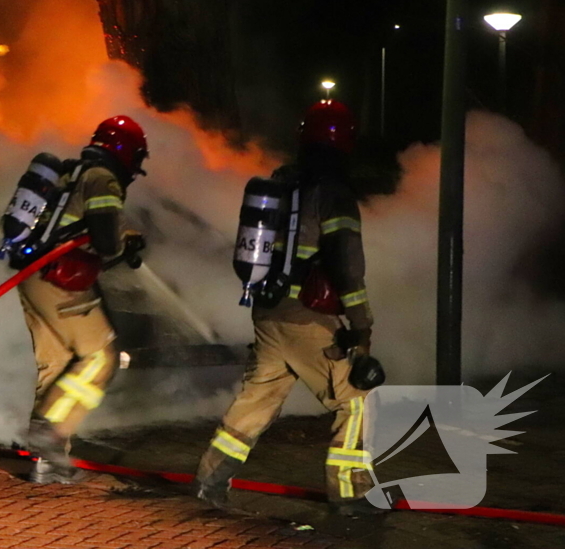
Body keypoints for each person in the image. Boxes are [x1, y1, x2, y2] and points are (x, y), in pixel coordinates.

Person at [194, 99, 383, 516]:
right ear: (345, 143)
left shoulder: (283, 185)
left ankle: (210, 479)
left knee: (258, 398)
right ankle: (350, 496)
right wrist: (362, 328)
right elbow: (348, 268)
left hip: (267, 312)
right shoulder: (334, 196)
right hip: (307, 316)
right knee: (355, 399)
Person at [23, 115, 148, 484]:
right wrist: (126, 243)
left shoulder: (72, 173)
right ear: (126, 152)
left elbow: (77, 223)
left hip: (32, 278)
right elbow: (107, 241)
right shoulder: (102, 179)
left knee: (57, 364)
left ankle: (47, 462)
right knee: (100, 357)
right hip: (62, 279)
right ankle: (49, 431)